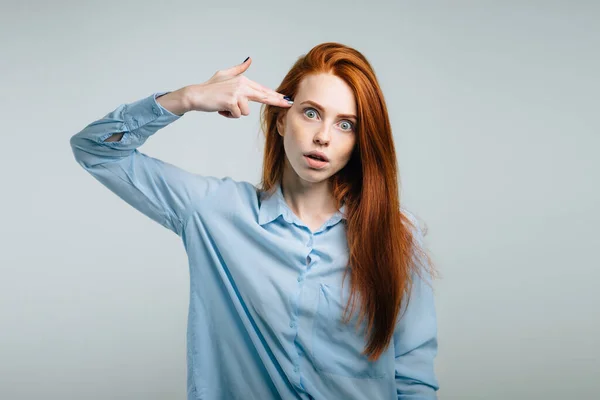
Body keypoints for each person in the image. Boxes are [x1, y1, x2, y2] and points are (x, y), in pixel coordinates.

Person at [70, 42, 439, 400]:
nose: (323, 137)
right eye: (311, 113)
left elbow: (413, 376)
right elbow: (95, 150)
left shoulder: (395, 235)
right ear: (280, 120)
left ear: (361, 140)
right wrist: (186, 99)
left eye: (346, 125)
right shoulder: (214, 213)